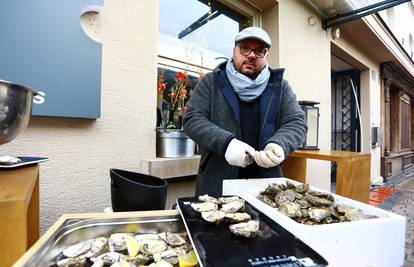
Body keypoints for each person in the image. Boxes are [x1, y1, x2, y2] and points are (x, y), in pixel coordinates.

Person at [183, 26, 307, 196]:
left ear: (266, 56)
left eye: (259, 51)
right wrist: (226, 143)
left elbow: (296, 122)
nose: (251, 55)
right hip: (217, 185)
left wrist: (280, 144)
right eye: (245, 48)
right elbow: (192, 119)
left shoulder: (280, 87)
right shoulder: (211, 82)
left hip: (267, 188)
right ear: (234, 50)